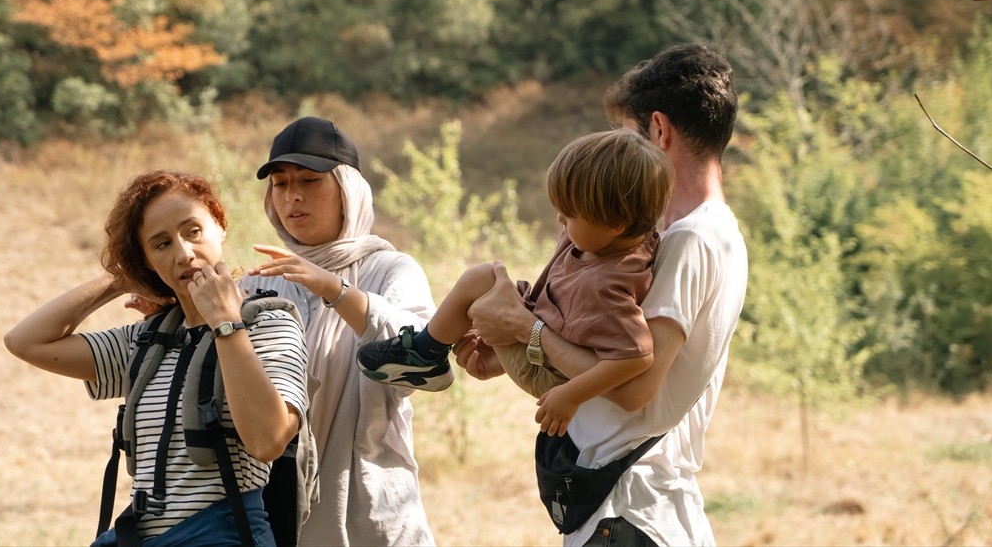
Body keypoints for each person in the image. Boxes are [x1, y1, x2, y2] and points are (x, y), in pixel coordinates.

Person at [454, 44, 748, 547]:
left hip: (631, 508)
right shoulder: (712, 233)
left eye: (627, 137)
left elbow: (635, 387)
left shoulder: (688, 240)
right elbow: (611, 346)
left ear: (659, 130)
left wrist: (527, 330)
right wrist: (514, 351)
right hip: (641, 506)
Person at [4, 170, 309, 547]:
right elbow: (25, 342)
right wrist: (121, 278)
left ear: (220, 225)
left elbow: (268, 442)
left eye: (193, 231)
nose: (183, 253)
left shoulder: (268, 323)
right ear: (146, 259)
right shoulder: (149, 338)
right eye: (161, 244)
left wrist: (226, 324)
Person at [357, 128, 673, 440]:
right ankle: (430, 349)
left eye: (569, 214)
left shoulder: (608, 285)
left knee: (482, 281)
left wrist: (571, 395)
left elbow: (636, 357)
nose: (560, 221)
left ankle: (425, 354)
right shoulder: (615, 241)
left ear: (616, 225)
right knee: (486, 279)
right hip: (545, 335)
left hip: (550, 374)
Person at [243, 116, 436, 547]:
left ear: (348, 191)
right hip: (275, 510)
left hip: (370, 506)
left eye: (310, 180)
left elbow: (422, 358)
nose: (293, 195)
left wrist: (333, 288)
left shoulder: (390, 269)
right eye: (280, 183)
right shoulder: (261, 280)